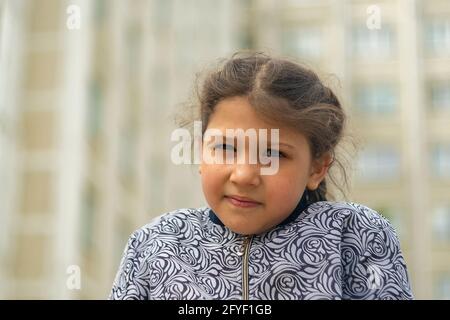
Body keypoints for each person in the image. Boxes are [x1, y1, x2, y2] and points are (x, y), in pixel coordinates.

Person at [109, 52, 413, 300]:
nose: (243, 175)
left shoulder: (354, 236)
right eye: (225, 147)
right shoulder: (156, 244)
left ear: (317, 168)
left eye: (274, 154)